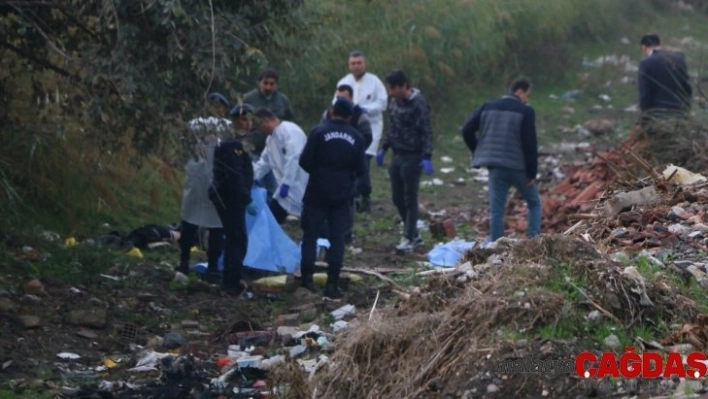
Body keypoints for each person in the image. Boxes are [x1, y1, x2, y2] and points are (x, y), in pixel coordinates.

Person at [299, 98, 367, 299]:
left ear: (331, 112)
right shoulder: (356, 137)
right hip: (342, 195)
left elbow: (304, 162)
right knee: (338, 239)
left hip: (316, 192)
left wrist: (321, 173)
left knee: (310, 236)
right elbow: (361, 168)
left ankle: (307, 282)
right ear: (350, 116)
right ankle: (332, 284)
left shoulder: (318, 132)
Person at [461, 78, 541, 242]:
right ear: (520, 91)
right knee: (534, 203)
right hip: (518, 167)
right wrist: (532, 171)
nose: (527, 99)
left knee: (497, 210)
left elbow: (466, 130)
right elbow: (530, 143)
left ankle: (497, 247)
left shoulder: (487, 106)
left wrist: (478, 151)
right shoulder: (525, 111)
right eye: (528, 95)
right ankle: (534, 241)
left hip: (496, 167)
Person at [375, 69, 434, 253]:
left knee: (410, 198)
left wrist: (426, 156)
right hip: (397, 154)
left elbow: (426, 130)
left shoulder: (418, 104)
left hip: (413, 155)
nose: (391, 91)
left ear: (404, 86)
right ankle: (414, 233)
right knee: (397, 197)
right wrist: (384, 148)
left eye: (393, 88)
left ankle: (408, 238)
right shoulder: (394, 104)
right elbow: (393, 128)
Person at [177, 92, 232, 279]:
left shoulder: (193, 125)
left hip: (195, 178)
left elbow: (182, 149)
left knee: (190, 221)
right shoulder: (228, 128)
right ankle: (213, 267)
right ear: (222, 109)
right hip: (216, 181)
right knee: (217, 226)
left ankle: (184, 262)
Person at [209, 104, 258, 296]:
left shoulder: (235, 141)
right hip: (230, 198)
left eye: (249, 119)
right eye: (244, 119)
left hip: (228, 196)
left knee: (232, 239)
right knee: (237, 240)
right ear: (237, 121)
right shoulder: (233, 144)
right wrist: (246, 199)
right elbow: (234, 175)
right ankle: (231, 283)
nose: (247, 123)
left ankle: (229, 279)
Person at [336, 51, 388, 213]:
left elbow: (382, 103)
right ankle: (351, 196)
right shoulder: (344, 82)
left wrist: (365, 109)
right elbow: (335, 102)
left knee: (363, 162)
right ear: (349, 65)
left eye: (359, 63)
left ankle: (364, 196)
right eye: (353, 63)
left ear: (364, 64)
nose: (356, 66)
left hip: (369, 127)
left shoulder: (374, 82)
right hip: (348, 128)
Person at [634, 34, 693, 164]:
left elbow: (645, 95)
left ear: (644, 47)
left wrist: (642, 120)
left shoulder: (646, 63)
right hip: (680, 115)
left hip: (658, 118)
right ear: (659, 44)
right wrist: (686, 111)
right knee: (680, 151)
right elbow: (687, 88)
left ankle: (665, 179)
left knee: (660, 154)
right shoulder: (678, 58)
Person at [243, 68, 294, 200]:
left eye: (272, 84)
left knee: (274, 186)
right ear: (259, 83)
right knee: (254, 183)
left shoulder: (282, 100)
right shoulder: (248, 99)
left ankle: (272, 216)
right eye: (265, 83)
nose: (268, 87)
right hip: (253, 147)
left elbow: (288, 121)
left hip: (274, 149)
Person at [252, 108, 309, 224]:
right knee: (272, 218)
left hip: (300, 183)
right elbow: (265, 162)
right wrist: (254, 175)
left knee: (311, 220)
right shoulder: (270, 139)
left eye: (259, 125)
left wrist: (287, 183)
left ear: (266, 120)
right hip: (285, 189)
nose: (259, 130)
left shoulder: (290, 131)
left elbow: (294, 158)